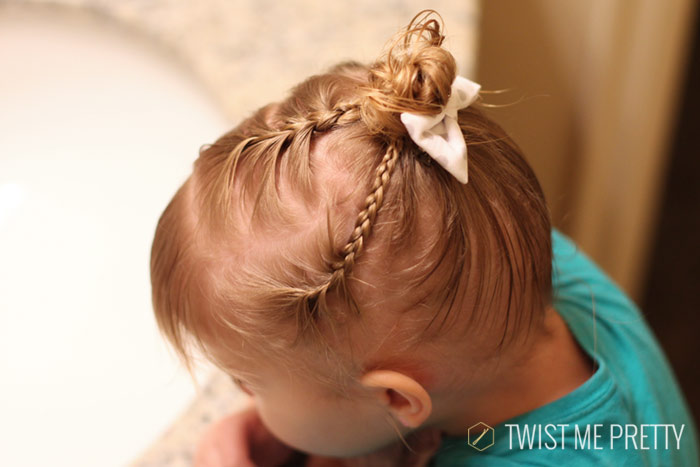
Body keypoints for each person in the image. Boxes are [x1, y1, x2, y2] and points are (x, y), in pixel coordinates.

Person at [149, 10, 699, 466]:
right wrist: (320, 398)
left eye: (250, 382)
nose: (239, 394)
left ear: (395, 398)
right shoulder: (506, 270)